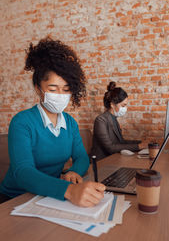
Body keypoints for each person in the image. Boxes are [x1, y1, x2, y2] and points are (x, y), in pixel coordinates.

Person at [0, 37, 105, 206]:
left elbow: (81, 158)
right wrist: (69, 190)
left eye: (66, 90)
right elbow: (23, 172)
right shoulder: (22, 122)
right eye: (53, 89)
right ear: (38, 89)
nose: (60, 95)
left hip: (47, 195)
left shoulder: (70, 123)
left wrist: (73, 172)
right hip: (15, 198)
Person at [91, 81, 143, 161]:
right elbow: (110, 147)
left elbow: (121, 142)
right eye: (123, 105)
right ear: (112, 104)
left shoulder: (113, 119)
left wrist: (140, 143)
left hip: (113, 159)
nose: (125, 108)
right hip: (102, 162)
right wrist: (139, 146)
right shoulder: (101, 120)